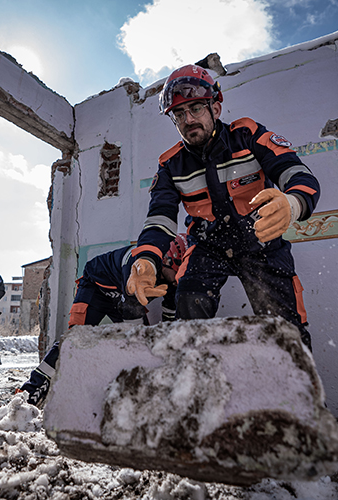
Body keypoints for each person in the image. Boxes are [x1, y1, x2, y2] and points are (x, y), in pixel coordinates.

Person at [125, 64, 319, 348]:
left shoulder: (248, 135)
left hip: (262, 242)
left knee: (287, 331)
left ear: (215, 109)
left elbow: (298, 175)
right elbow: (159, 219)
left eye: (195, 109)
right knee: (189, 307)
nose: (188, 119)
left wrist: (293, 203)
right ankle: (197, 382)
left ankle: (299, 389)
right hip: (207, 246)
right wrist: (145, 260)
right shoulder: (170, 164)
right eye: (179, 114)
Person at [17, 236, 187, 406]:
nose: (177, 279)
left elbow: (170, 316)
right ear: (167, 260)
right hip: (95, 288)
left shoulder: (174, 278)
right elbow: (132, 316)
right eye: (178, 272)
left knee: (145, 344)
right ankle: (31, 390)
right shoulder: (138, 264)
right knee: (74, 339)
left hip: (122, 297)